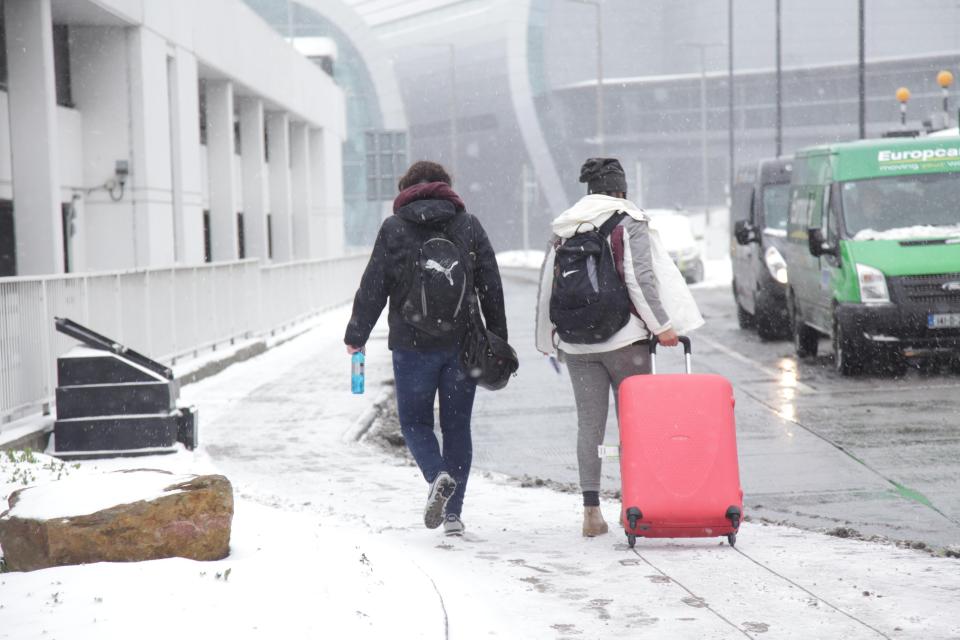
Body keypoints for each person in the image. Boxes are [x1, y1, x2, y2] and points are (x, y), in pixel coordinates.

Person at [534, 157, 702, 537]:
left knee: (589, 427)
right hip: (626, 340)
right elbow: (640, 279)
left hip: (577, 344)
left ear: (590, 190)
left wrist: (547, 338)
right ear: (621, 189)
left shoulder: (566, 225)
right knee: (635, 424)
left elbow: (548, 283)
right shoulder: (627, 220)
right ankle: (634, 504)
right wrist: (663, 327)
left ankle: (591, 512)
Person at [344, 160, 507, 537]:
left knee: (415, 422)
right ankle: (453, 515)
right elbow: (491, 285)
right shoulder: (467, 225)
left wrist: (357, 332)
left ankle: (436, 476)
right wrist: (496, 338)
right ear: (446, 187)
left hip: (411, 345)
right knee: (456, 427)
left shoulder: (394, 228)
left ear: (406, 188)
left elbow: (374, 285)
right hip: (462, 345)